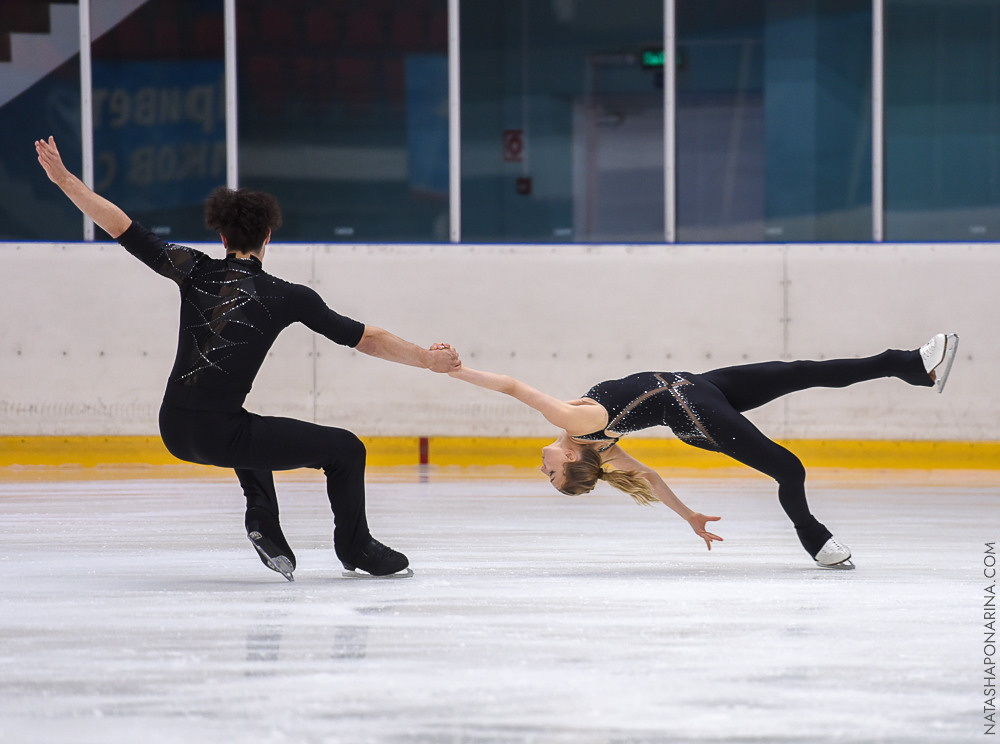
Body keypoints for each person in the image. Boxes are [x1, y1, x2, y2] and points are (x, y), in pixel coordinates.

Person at [35, 136, 461, 581]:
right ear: (268, 236)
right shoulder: (287, 295)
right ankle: (355, 547)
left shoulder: (192, 268)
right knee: (346, 450)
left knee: (249, 428)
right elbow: (363, 338)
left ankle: (262, 518)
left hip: (174, 429)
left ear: (221, 235)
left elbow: (122, 227)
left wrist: (64, 180)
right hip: (222, 434)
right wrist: (426, 360)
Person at [442, 335, 959, 568]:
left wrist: (688, 516)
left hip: (695, 385)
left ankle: (908, 363)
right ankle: (814, 538)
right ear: (574, 462)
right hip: (693, 412)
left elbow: (650, 479)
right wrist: (457, 371)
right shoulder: (577, 427)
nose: (543, 469)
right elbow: (511, 385)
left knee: (801, 371)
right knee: (788, 467)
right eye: (551, 477)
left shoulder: (595, 443)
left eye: (545, 474)